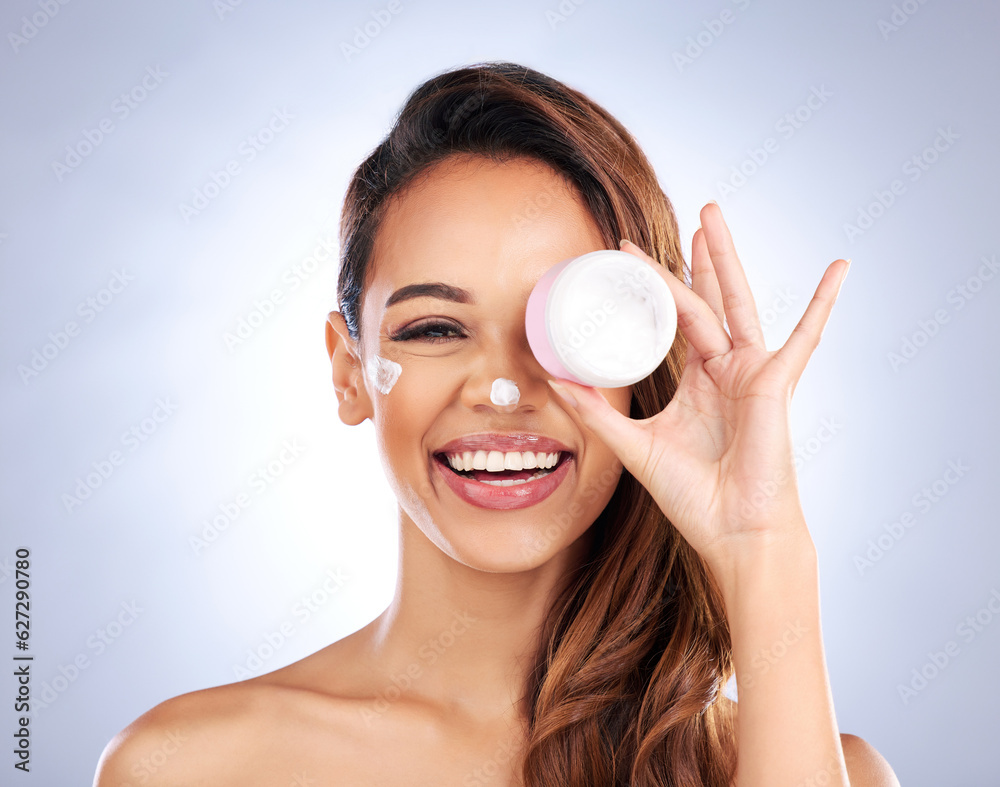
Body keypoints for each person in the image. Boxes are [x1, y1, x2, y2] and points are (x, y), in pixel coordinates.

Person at [95, 61, 899, 786]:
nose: (505, 388)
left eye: (562, 329)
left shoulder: (814, 767)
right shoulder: (192, 765)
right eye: (436, 328)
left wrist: (763, 548)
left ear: (640, 362)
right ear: (349, 372)